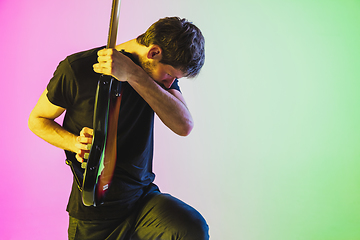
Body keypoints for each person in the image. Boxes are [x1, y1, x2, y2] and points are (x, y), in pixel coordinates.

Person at [28, 16, 209, 239]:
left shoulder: (155, 78)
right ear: (153, 52)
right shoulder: (76, 69)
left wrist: (133, 74)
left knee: (191, 227)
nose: (170, 83)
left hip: (142, 202)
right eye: (170, 74)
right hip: (93, 213)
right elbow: (37, 120)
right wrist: (74, 143)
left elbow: (184, 125)